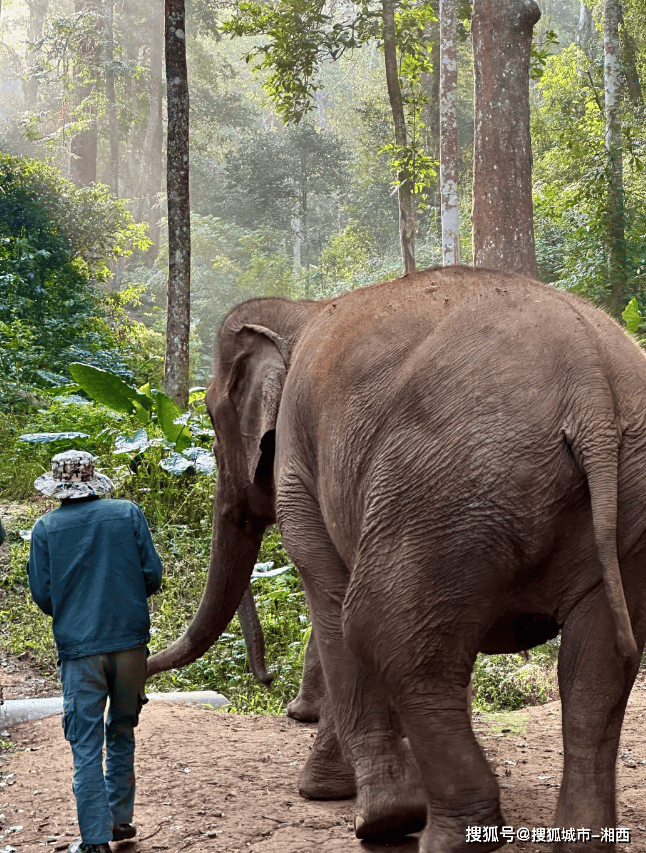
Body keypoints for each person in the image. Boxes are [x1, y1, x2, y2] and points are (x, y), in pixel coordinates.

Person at [27, 450, 163, 853]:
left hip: (79, 649)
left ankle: (95, 839)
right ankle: (120, 820)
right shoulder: (127, 513)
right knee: (122, 729)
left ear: (58, 487)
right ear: (93, 480)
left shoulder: (45, 528)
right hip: (130, 644)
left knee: (85, 743)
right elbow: (152, 576)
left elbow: (44, 595)